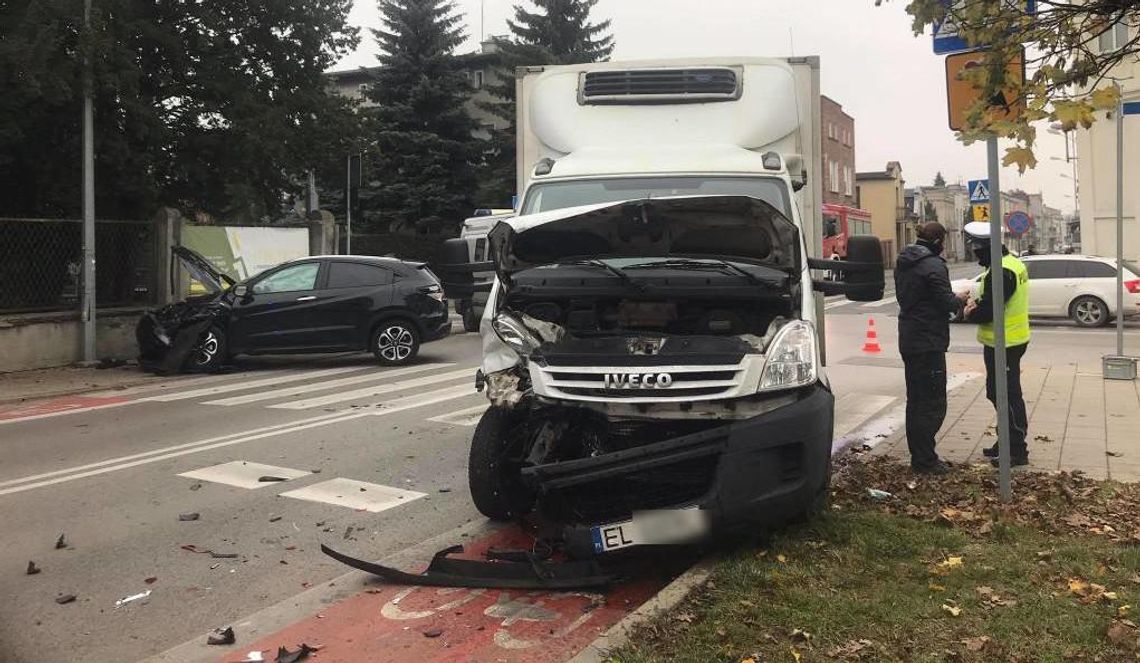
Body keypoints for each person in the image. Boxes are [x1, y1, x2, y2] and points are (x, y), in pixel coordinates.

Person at [959, 221, 1031, 468]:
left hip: (1006, 343)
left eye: (976, 249)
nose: (974, 254)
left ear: (985, 249)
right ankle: (1007, 442)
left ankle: (1016, 450)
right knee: (998, 393)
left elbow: (989, 310)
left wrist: (971, 311)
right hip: (1006, 341)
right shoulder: (1008, 263)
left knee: (1007, 395)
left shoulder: (1003, 271)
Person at [895, 222, 963, 475]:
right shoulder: (933, 265)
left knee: (916, 401)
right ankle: (925, 460)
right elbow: (944, 301)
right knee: (933, 402)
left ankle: (920, 456)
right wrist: (960, 300)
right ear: (938, 241)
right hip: (929, 341)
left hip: (910, 338)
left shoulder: (904, 261)